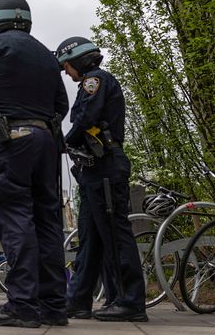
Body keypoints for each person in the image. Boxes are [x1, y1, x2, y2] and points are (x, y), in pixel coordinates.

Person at [0, 0, 69, 328]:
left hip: (9, 141)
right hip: (46, 142)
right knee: (48, 222)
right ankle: (54, 304)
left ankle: (22, 304)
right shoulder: (46, 54)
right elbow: (61, 104)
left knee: (15, 218)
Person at [56, 36, 148, 322]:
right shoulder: (94, 81)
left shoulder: (94, 80)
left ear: (79, 60)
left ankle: (129, 301)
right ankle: (79, 299)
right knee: (90, 237)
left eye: (67, 66)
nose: (67, 73)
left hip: (105, 165)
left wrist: (61, 142)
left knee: (113, 233)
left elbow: (86, 119)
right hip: (93, 169)